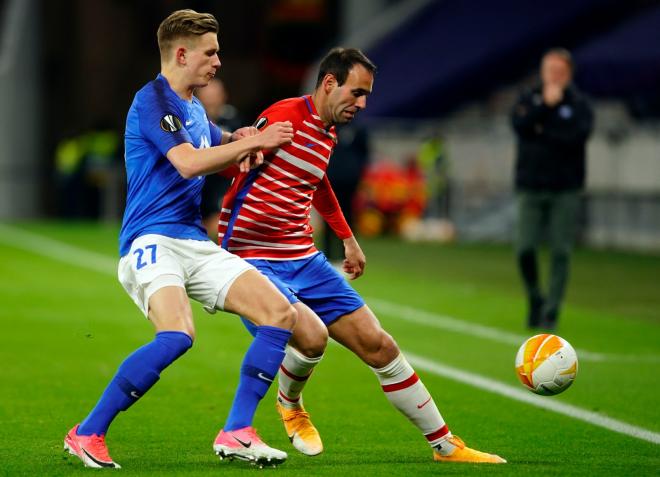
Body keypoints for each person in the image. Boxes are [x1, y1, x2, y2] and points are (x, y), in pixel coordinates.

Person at [218, 47, 506, 464]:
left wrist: (348, 238)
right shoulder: (283, 116)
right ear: (330, 83)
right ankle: (290, 404)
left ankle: (445, 446)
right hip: (253, 259)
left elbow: (316, 182)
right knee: (311, 339)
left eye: (366, 95)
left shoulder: (327, 132)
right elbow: (232, 167)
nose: (363, 103)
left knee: (379, 344)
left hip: (302, 255)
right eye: (357, 93)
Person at [63, 9, 298, 469]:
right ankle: (87, 432)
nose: (218, 61)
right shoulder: (152, 100)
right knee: (177, 335)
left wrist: (244, 138)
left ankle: (236, 431)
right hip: (150, 241)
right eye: (210, 52)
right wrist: (254, 142)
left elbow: (218, 147)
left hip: (194, 242)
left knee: (279, 313)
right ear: (182, 53)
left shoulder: (193, 106)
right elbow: (190, 162)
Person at [511, 48, 594, 330]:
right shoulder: (529, 97)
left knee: (561, 251)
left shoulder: (580, 104)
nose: (554, 76)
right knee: (524, 248)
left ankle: (551, 310)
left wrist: (540, 130)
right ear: (542, 71)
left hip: (565, 188)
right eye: (550, 70)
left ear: (568, 74)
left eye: (560, 71)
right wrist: (546, 108)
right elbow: (520, 125)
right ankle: (535, 296)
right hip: (530, 185)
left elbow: (575, 138)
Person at [196, 78, 242, 238]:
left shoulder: (234, 122)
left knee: (219, 227)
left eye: (214, 95)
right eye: (206, 96)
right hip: (198, 184)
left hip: (222, 185)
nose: (210, 100)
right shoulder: (192, 122)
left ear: (223, 96)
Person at [321, 123, 370, 262]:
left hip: (350, 182)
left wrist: (357, 174)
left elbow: (364, 154)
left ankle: (347, 255)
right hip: (330, 180)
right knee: (329, 217)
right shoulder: (330, 127)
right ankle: (328, 255)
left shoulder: (359, 129)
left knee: (349, 216)